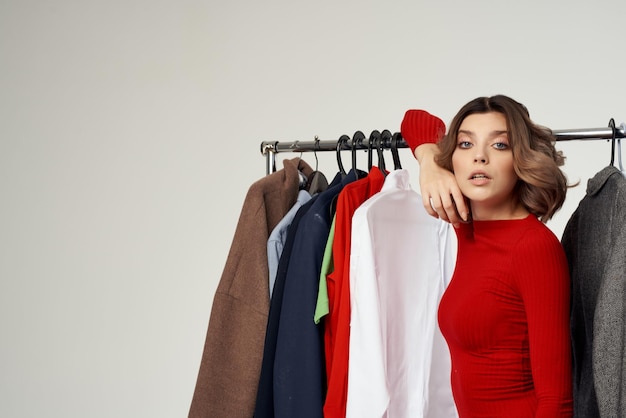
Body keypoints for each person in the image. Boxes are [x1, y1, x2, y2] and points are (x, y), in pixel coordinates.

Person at [401, 95, 574, 417]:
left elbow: (557, 399)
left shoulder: (533, 247)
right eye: (466, 145)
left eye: (499, 145)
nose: (479, 157)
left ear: (520, 158)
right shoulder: (467, 228)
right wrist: (429, 164)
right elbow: (415, 120)